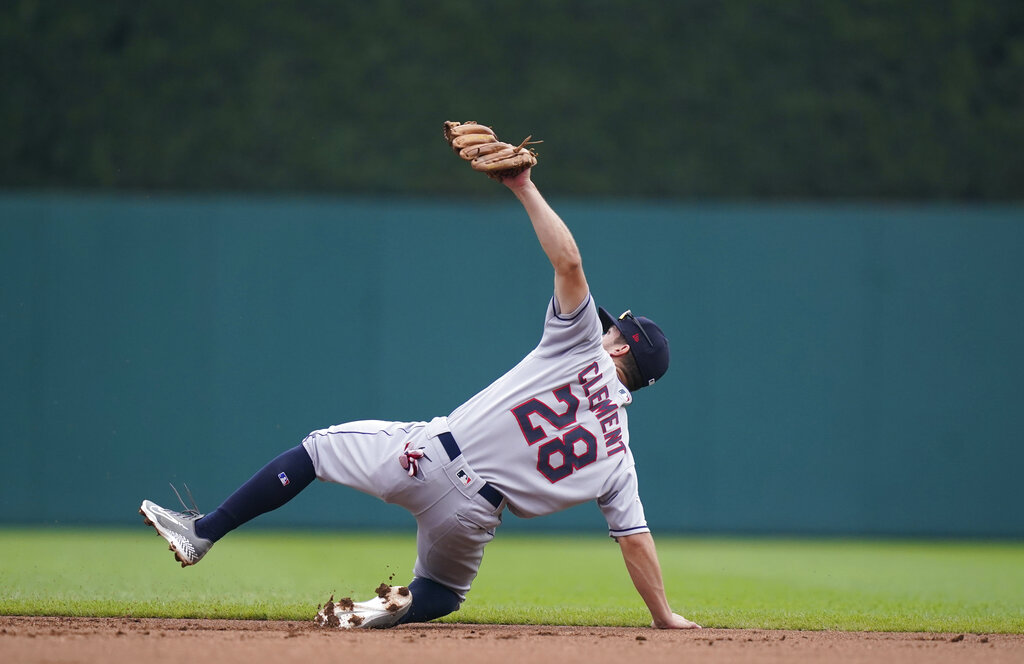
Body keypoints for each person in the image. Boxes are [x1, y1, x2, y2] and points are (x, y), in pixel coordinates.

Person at [140, 166, 701, 630]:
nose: (604, 329)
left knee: (313, 453)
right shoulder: (619, 457)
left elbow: (570, 264)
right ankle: (373, 613)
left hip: (427, 457)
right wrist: (664, 616)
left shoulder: (581, 348)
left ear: (621, 344)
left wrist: (522, 184)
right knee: (442, 593)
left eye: (614, 329)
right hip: (476, 516)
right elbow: (635, 542)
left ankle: (202, 533)